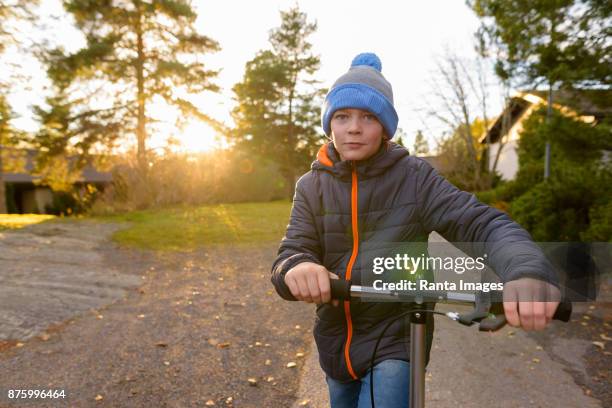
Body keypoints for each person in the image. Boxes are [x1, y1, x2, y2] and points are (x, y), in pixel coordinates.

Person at [270, 53, 561, 408]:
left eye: (369, 117)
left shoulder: (415, 178)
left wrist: (526, 270)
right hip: (335, 341)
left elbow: (481, 222)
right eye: (342, 116)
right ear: (330, 123)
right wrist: (297, 267)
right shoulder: (310, 186)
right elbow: (292, 250)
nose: (354, 127)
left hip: (399, 334)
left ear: (386, 127)